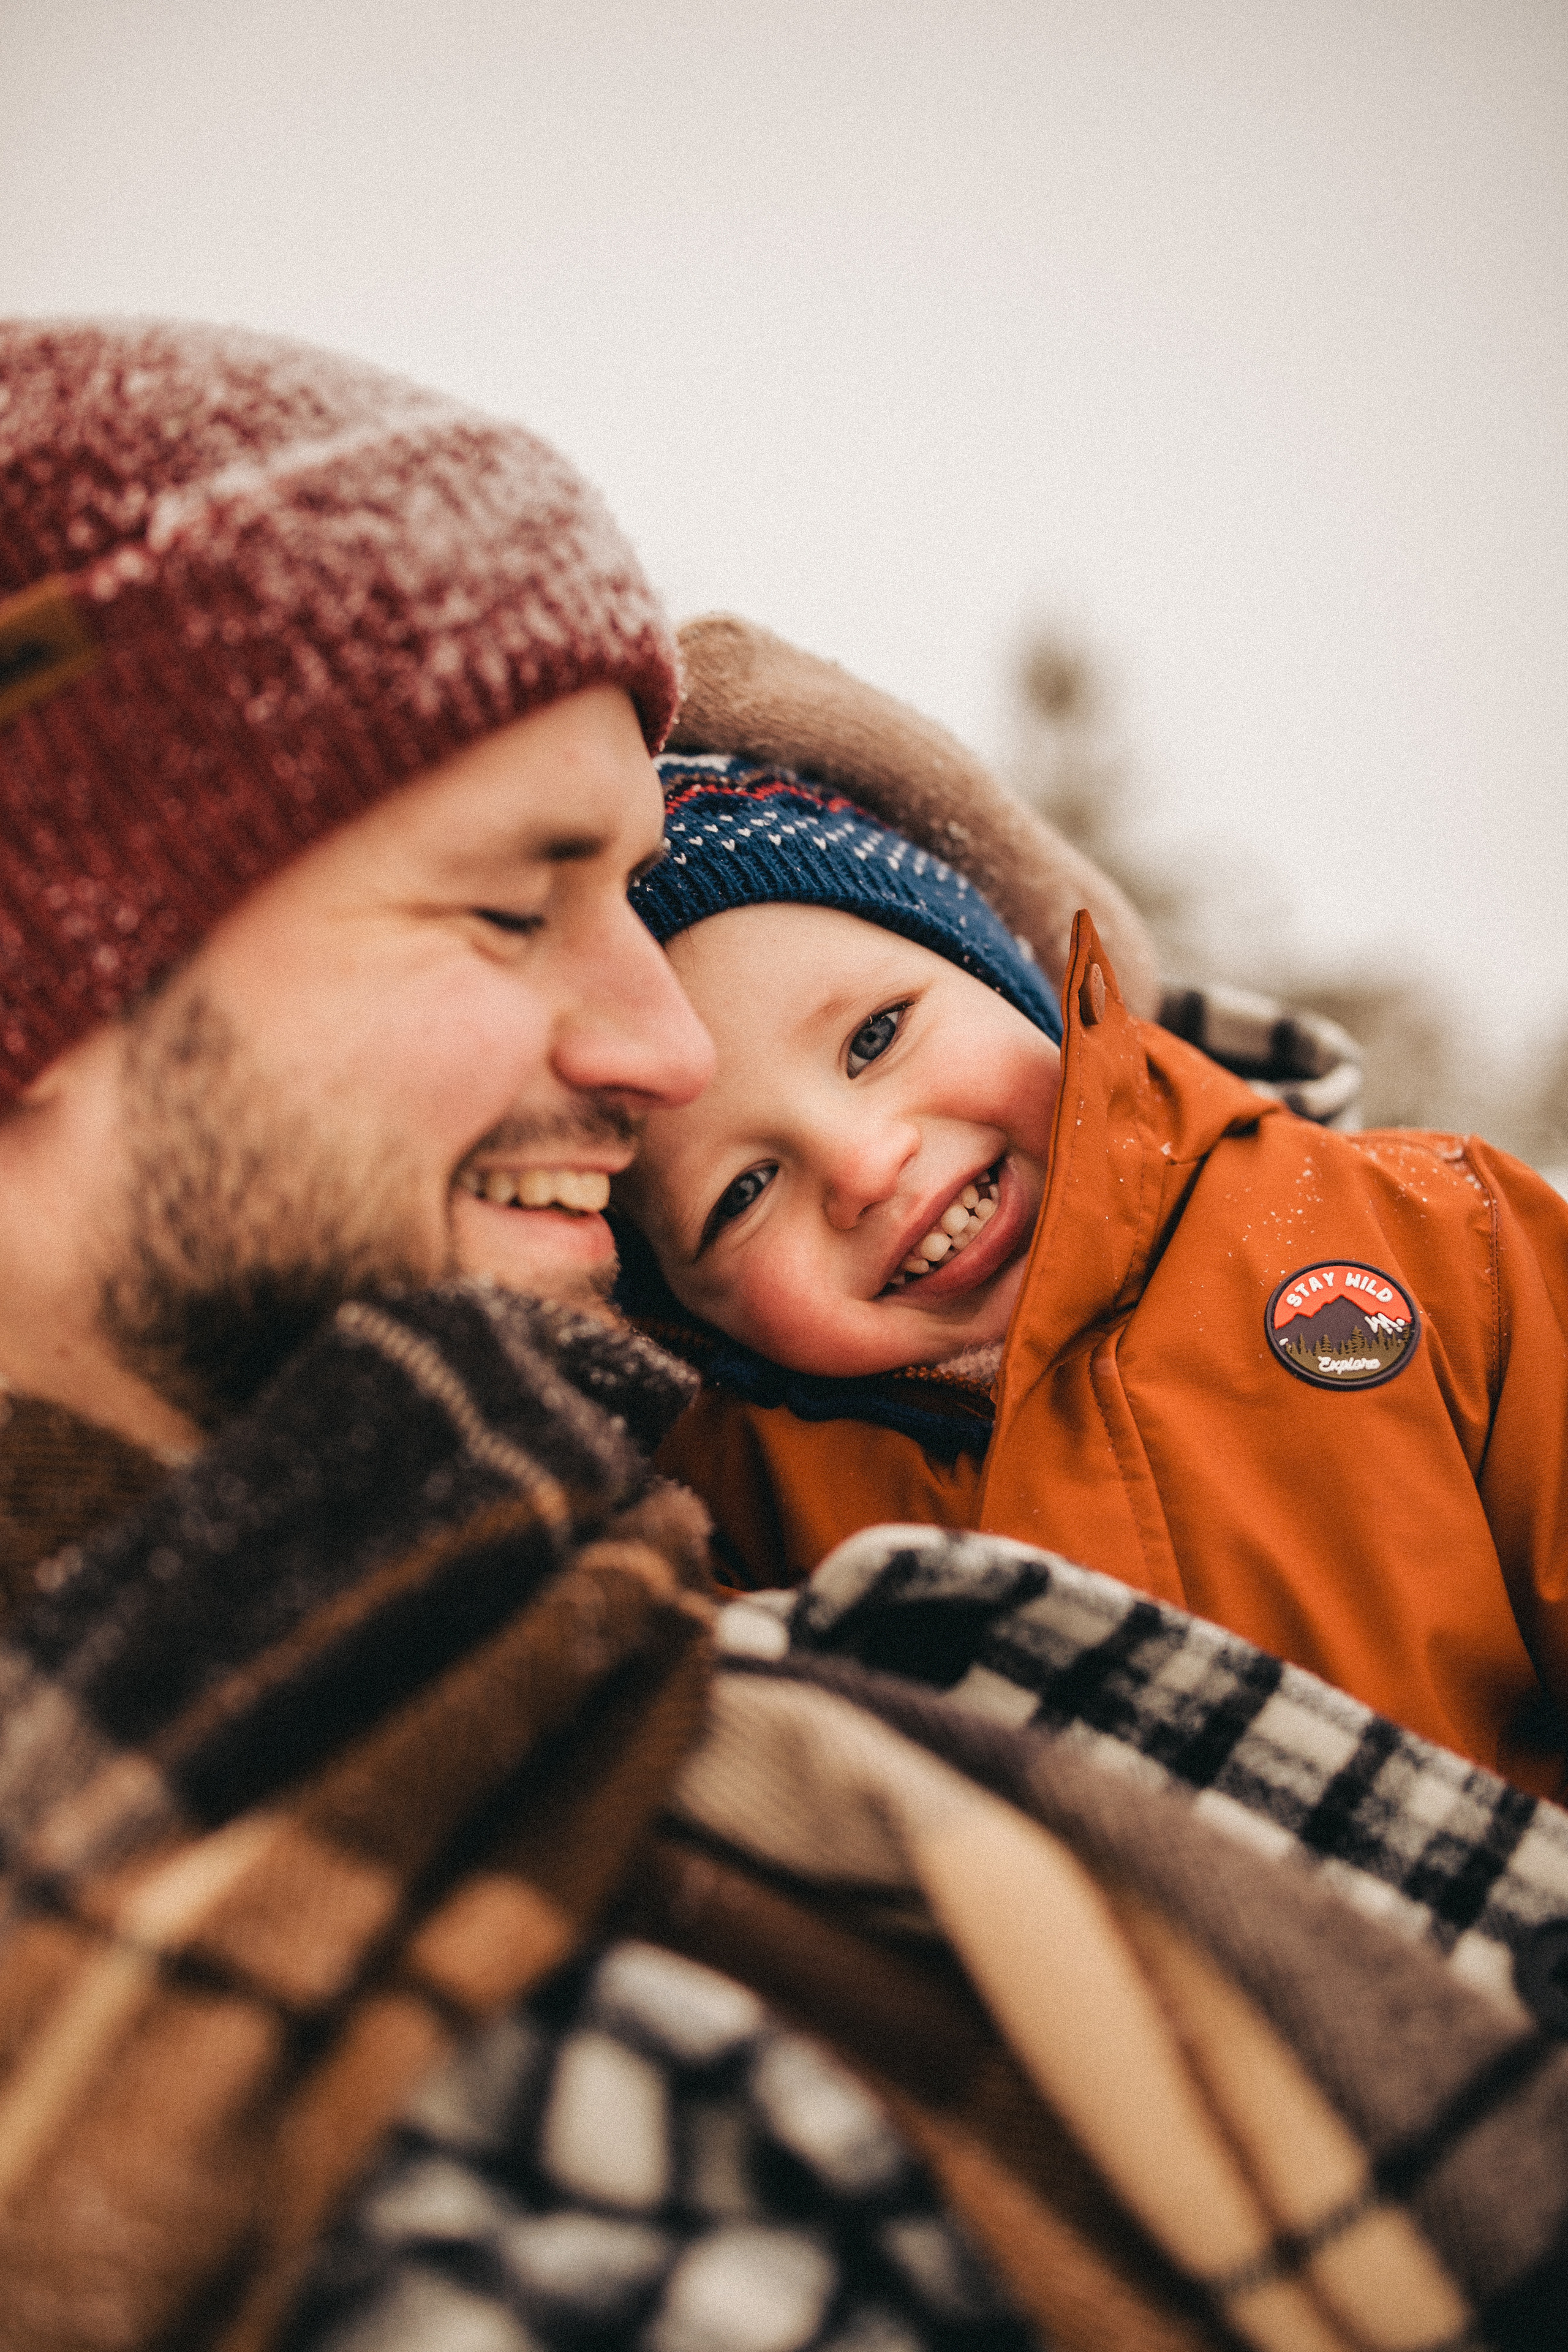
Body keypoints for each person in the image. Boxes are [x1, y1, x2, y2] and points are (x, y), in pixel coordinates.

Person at [3, 332, 1564, 2351]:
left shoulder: (668, 1624)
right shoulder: (654, 1596)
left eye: (881, 1029)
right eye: (511, 910)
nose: (662, 1050)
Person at [619, 631, 1568, 1803]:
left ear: (1000, 973)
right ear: (678, 1308)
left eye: (876, 1036)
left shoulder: (1436, 1239)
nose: (863, 1165)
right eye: (741, 1192)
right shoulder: (725, 1511)